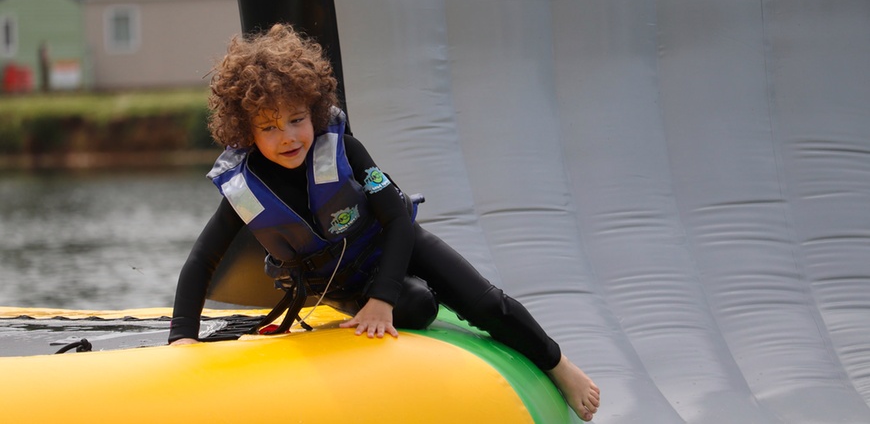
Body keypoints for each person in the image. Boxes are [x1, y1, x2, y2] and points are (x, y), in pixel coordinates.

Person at [168, 23, 600, 421]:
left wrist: (383, 298)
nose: (288, 137)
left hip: (392, 243)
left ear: (314, 112)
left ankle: (559, 364)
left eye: (297, 120)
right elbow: (201, 261)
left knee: (485, 302)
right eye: (269, 127)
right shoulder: (246, 191)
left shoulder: (346, 152)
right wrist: (182, 339)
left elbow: (396, 219)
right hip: (341, 284)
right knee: (419, 306)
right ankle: (409, 294)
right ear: (246, 131)